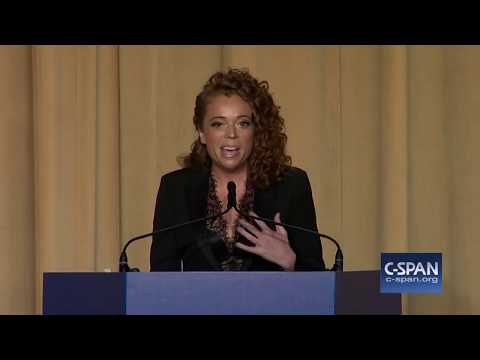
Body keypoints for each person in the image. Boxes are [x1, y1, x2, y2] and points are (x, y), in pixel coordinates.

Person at [150, 68, 326, 272]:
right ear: (202, 133)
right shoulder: (176, 188)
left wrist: (290, 263)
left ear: (256, 130)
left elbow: (318, 280)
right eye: (218, 124)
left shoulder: (291, 186)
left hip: (272, 304)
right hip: (196, 304)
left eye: (243, 123)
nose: (231, 134)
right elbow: (160, 278)